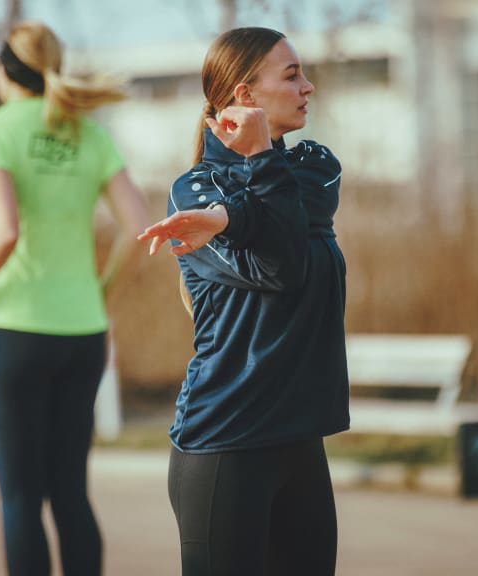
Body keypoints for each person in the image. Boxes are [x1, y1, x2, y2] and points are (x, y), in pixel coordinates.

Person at [0, 20, 150, 576]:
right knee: (71, 494)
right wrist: (97, 292)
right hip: (82, 332)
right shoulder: (90, 133)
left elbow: (3, 229)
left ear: (3, 70)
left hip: (16, 331)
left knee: (19, 499)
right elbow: (139, 225)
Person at [138, 26, 350, 576]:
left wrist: (230, 217)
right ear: (245, 95)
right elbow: (280, 268)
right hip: (224, 443)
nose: (309, 86)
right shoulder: (191, 194)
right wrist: (238, 189)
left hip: (300, 441)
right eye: (292, 74)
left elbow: (283, 221)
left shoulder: (314, 168)